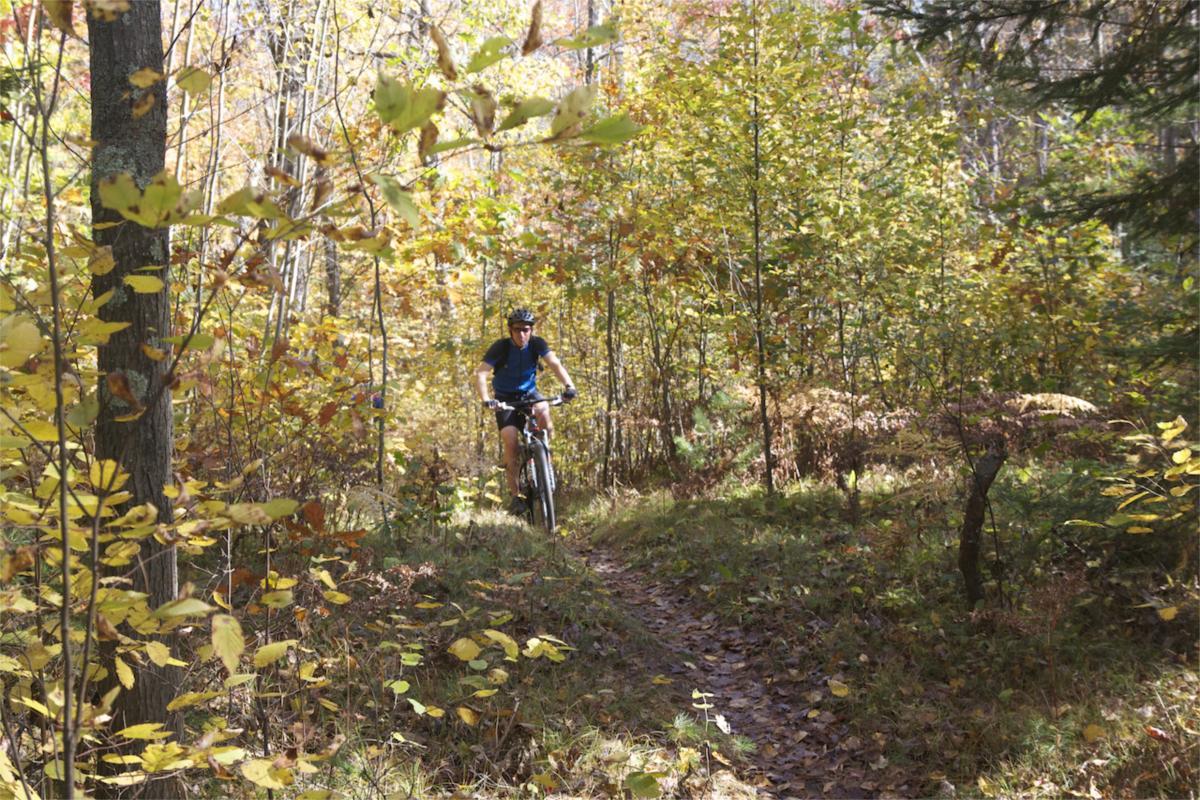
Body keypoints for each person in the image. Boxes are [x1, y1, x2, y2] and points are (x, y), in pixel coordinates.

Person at [474, 308, 577, 516]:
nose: (522, 334)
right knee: (510, 440)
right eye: (517, 330)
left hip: (529, 394)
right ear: (510, 331)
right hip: (505, 399)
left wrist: (569, 387)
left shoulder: (537, 344)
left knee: (544, 412)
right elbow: (481, 373)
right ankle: (516, 497)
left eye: (526, 330)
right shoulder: (501, 347)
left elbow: (555, 364)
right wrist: (487, 400)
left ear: (531, 330)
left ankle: (544, 461)